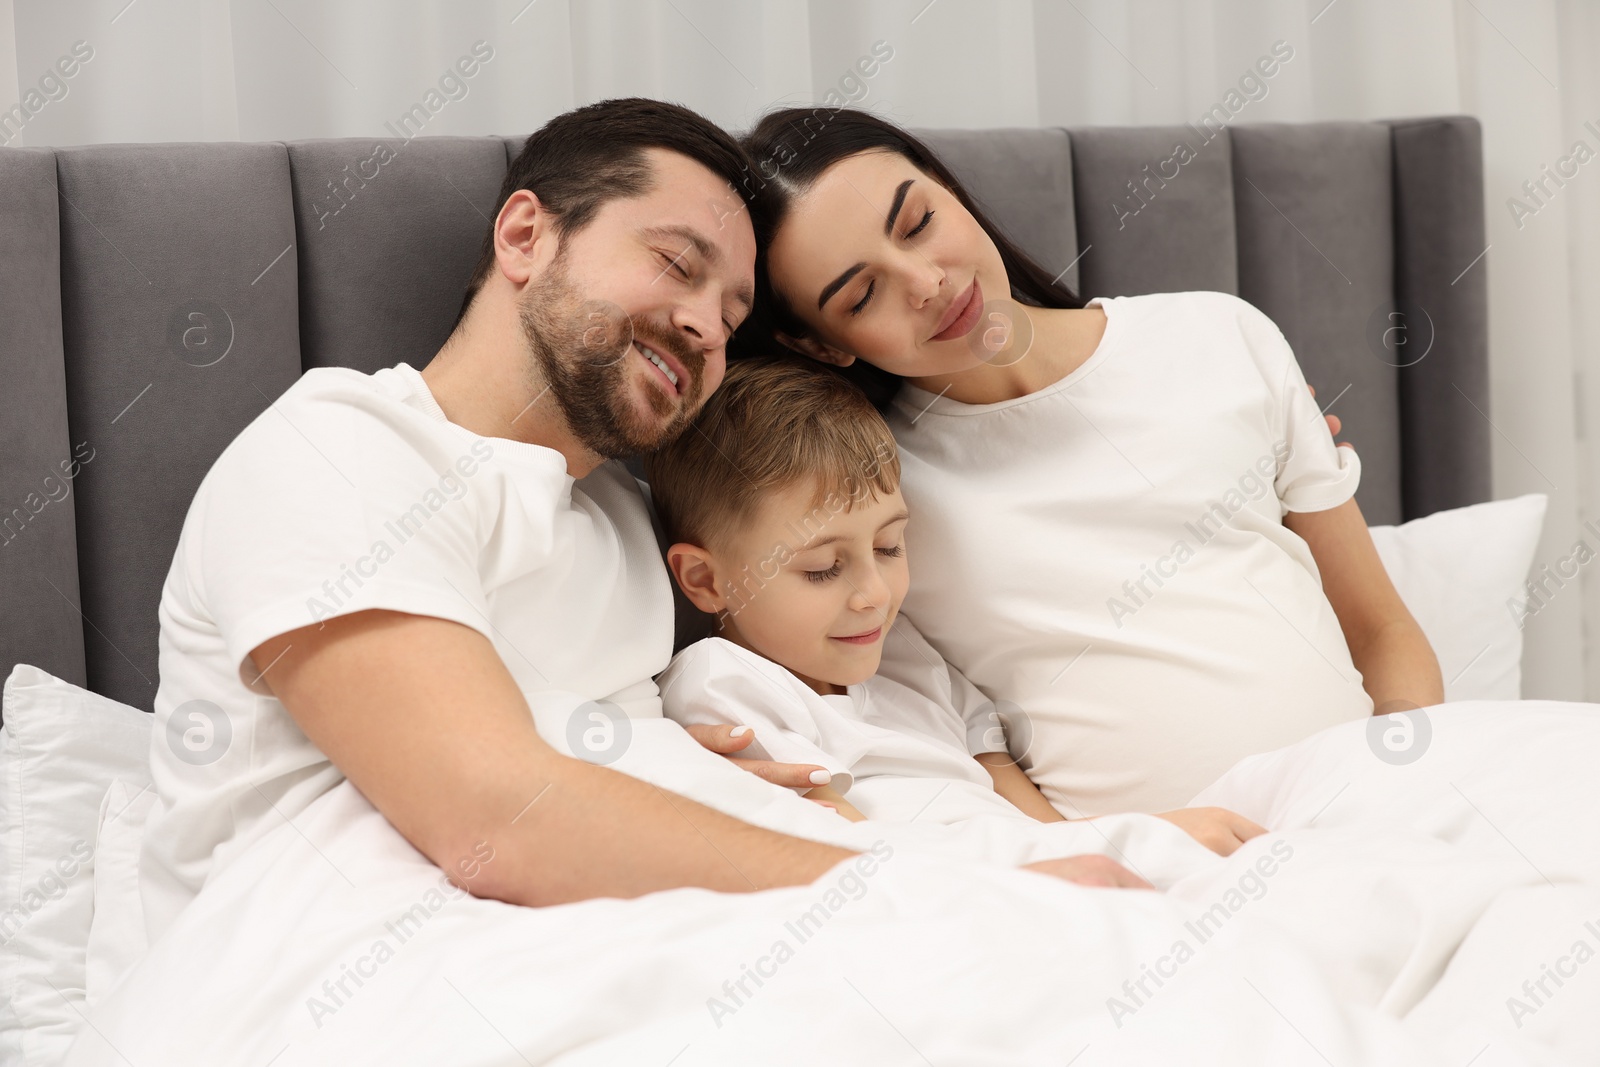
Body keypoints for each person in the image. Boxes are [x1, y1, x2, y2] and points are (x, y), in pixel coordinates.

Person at [138, 97, 1147, 945]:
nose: (707, 323)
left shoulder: (631, 514)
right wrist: (928, 890)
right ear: (526, 234)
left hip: (624, 929)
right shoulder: (342, 450)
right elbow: (493, 818)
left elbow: (830, 502)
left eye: (733, 310)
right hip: (342, 947)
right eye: (676, 262)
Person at [700, 106, 1444, 817]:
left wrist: (1403, 782)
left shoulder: (1219, 333)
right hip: (1155, 882)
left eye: (919, 222)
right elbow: (804, 659)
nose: (927, 283)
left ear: (951, 189)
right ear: (823, 345)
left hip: (1372, 808)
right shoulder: (878, 496)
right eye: (863, 294)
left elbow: (1381, 629)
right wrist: (709, 753)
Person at [647, 357, 1266, 857]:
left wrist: (1109, 852)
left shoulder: (906, 654)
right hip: (951, 887)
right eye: (823, 569)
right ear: (705, 580)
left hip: (1037, 866)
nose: (874, 594)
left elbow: (1029, 814)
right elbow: (849, 849)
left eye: (889, 546)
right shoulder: (723, 685)